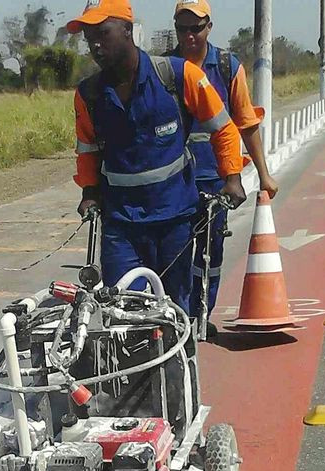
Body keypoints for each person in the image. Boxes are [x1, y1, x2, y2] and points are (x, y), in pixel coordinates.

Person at [69, 0, 246, 315]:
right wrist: (89, 193)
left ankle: (182, 360)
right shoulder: (89, 95)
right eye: (88, 36)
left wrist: (232, 178)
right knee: (123, 313)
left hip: (174, 219)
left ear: (128, 29)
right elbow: (87, 149)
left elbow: (224, 128)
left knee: (175, 311)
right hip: (121, 224)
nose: (95, 44)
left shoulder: (177, 76)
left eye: (102, 32)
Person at [168, 0, 279, 338]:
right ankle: (178, 318)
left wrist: (263, 173)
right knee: (176, 253)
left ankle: (202, 314)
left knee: (210, 253)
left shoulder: (228, 68)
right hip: (173, 182)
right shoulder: (164, 69)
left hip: (216, 181)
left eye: (196, 28)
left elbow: (247, 125)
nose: (189, 36)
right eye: (182, 29)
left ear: (209, 28)